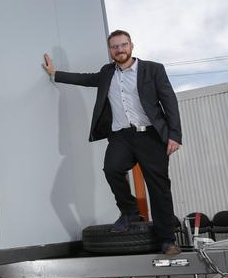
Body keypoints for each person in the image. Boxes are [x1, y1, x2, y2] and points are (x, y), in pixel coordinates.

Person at [42, 30, 182, 255]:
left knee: (159, 189)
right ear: (110, 50)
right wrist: (55, 73)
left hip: (151, 136)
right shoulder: (107, 72)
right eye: (115, 47)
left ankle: (167, 240)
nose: (120, 49)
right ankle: (129, 211)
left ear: (131, 45)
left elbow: (169, 101)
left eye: (123, 45)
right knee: (112, 169)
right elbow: (85, 79)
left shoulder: (153, 69)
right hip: (121, 136)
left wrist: (174, 134)